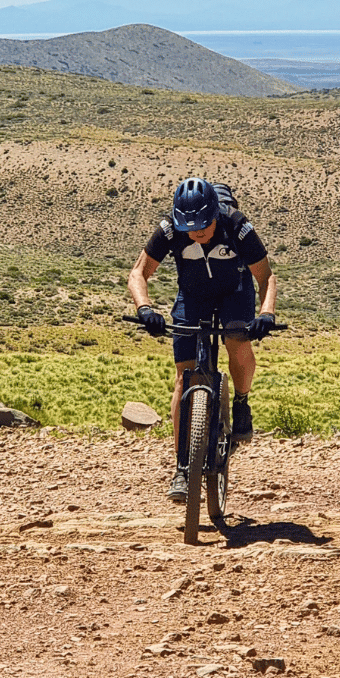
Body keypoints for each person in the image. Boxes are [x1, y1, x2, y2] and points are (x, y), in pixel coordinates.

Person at [128, 177, 278, 502]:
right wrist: (145, 309)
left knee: (237, 340)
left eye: (204, 225)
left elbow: (265, 276)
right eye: (190, 227)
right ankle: (183, 467)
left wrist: (266, 314)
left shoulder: (236, 225)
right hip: (193, 295)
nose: (198, 233)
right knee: (183, 380)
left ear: (215, 213)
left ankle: (241, 404)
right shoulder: (170, 228)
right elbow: (138, 272)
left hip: (234, 292)